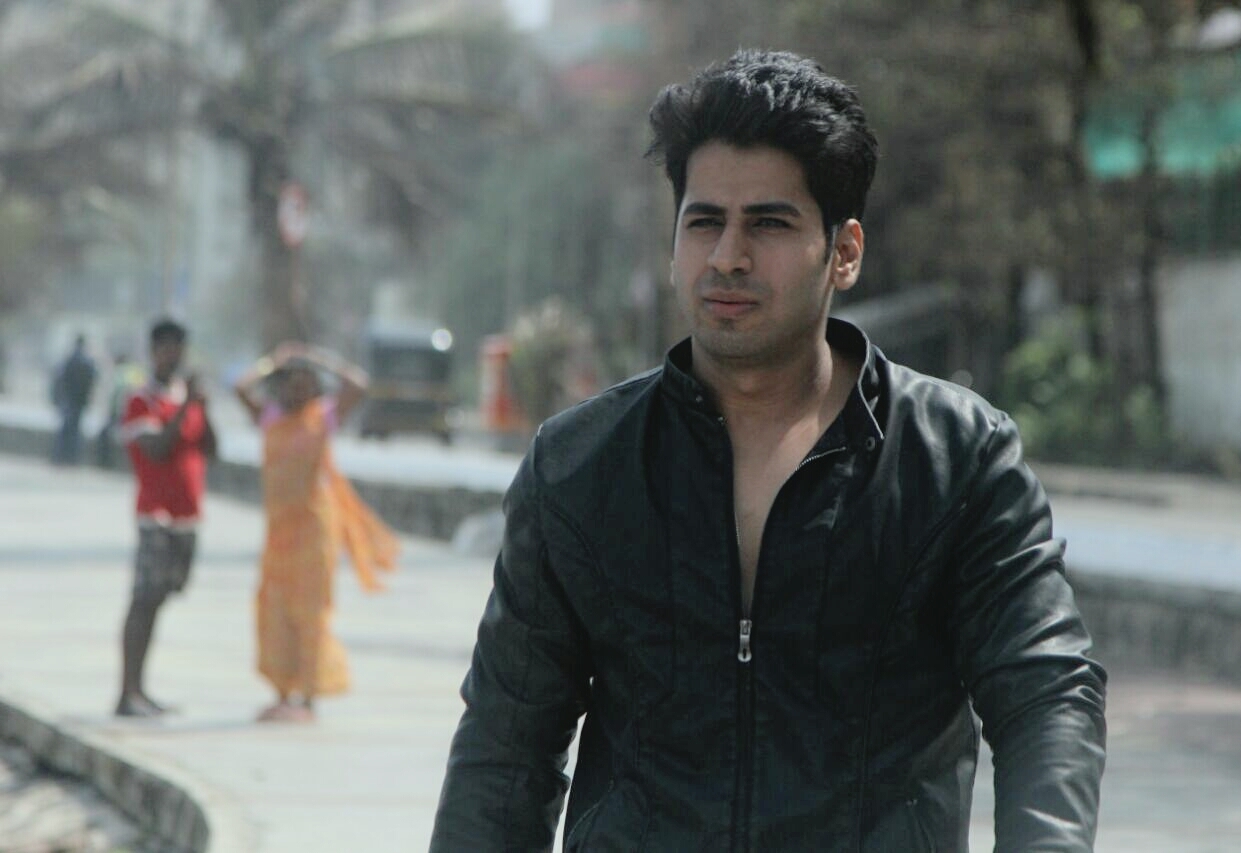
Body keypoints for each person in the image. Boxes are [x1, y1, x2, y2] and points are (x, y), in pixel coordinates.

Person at [430, 49, 1107, 851]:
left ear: (844, 252)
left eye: (769, 223)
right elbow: (505, 751)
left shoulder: (956, 459)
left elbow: (1046, 694)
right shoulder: (581, 465)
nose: (728, 256)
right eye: (704, 221)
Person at [233, 341, 398, 723]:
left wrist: (318, 359)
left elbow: (358, 385)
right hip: (278, 534)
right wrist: (274, 362)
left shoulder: (322, 416)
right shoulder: (269, 417)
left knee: (310, 612)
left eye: (304, 383)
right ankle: (282, 693)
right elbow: (239, 387)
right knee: (273, 610)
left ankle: (307, 698)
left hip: (314, 531)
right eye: (289, 383)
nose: (296, 390)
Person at [115, 319, 218, 717]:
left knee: (158, 601)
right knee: (143, 600)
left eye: (178, 348)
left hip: (186, 517)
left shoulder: (186, 400)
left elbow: (211, 449)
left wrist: (202, 408)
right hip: (154, 517)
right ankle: (127, 692)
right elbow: (157, 448)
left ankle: (141, 690)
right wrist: (187, 407)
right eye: (166, 348)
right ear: (154, 351)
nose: (173, 355)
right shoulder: (140, 400)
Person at [50, 333, 98, 466]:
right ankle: (73, 458)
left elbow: (59, 378)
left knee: (65, 429)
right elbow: (93, 379)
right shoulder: (87, 361)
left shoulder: (69, 359)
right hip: (80, 400)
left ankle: (59, 456)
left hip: (68, 399)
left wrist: (58, 397)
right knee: (76, 430)